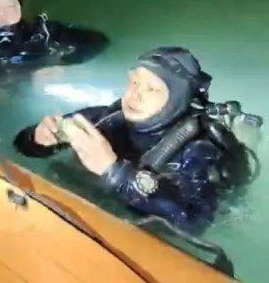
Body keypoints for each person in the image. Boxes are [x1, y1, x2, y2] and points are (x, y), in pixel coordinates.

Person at [13, 47, 260, 233]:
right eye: (133, 82)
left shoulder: (198, 151)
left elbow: (195, 223)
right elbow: (22, 145)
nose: (135, 95)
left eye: (152, 89)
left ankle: (245, 131)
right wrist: (37, 138)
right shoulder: (106, 118)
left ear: (176, 100)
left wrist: (113, 171)